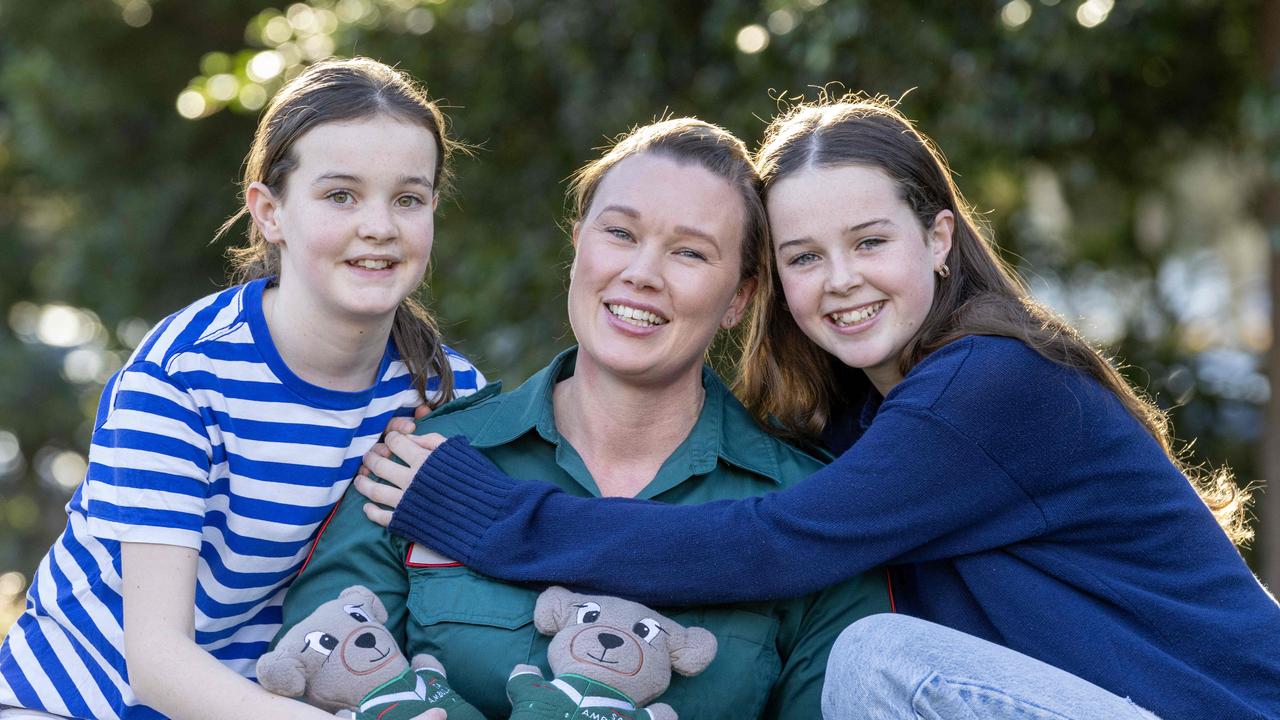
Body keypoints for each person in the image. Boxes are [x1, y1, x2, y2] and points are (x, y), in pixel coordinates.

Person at [357, 98, 1280, 720]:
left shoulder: (990, 385)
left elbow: (766, 543)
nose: (840, 282)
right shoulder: (859, 426)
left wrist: (489, 515)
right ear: (769, 287)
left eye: (869, 241)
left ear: (940, 238)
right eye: (804, 256)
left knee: (875, 658)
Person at [281, 118, 891, 719]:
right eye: (621, 233)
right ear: (578, 245)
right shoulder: (424, 463)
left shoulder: (808, 510)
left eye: (689, 252)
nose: (642, 274)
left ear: (739, 297)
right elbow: (316, 674)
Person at [0, 58, 484, 720]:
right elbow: (157, 664)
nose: (380, 226)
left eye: (408, 198)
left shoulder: (450, 394)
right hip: (75, 704)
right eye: (340, 195)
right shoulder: (181, 379)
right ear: (271, 211)